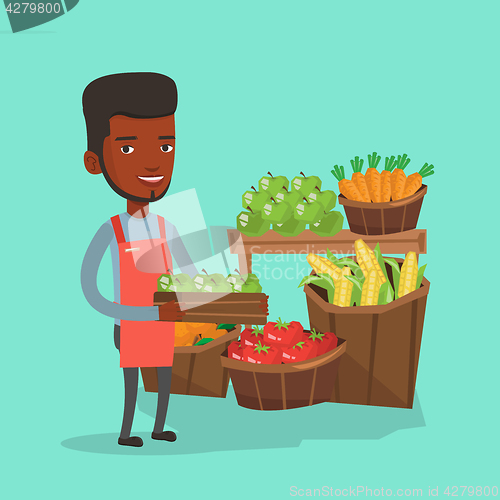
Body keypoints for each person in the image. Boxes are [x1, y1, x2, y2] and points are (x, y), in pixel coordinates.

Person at [81, 72, 196, 447]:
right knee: (133, 380)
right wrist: (143, 315)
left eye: (165, 147)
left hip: (167, 324)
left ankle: (159, 426)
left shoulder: (170, 225)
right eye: (128, 149)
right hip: (131, 325)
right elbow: (91, 292)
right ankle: (127, 431)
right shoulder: (110, 231)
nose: (152, 163)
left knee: (164, 376)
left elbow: (190, 274)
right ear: (95, 162)